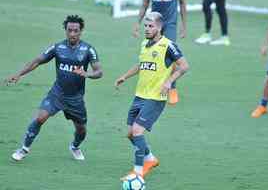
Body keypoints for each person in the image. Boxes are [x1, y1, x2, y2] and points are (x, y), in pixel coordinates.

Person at [6, 15, 103, 161]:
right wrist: (19, 74)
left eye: (75, 31)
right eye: (69, 30)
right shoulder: (57, 47)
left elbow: (99, 72)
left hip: (75, 98)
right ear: (65, 30)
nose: (72, 34)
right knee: (40, 118)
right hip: (57, 94)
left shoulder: (88, 50)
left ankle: (75, 146)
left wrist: (87, 73)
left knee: (81, 130)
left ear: (80, 31)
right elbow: (37, 61)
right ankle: (24, 149)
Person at [116, 12, 189, 179]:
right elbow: (142, 64)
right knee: (130, 134)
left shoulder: (168, 46)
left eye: (151, 26)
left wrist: (169, 81)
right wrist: (125, 76)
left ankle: (137, 173)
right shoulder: (144, 44)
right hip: (139, 95)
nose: (147, 29)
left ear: (160, 27)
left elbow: (184, 66)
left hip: (156, 98)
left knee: (136, 131)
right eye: (146, 26)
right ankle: (149, 159)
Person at [133, 0, 187, 105]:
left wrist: (184, 25)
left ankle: (172, 88)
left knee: (172, 57)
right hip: (154, 24)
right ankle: (155, 86)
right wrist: (137, 23)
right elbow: (144, 4)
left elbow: (182, 3)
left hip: (169, 25)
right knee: (155, 56)